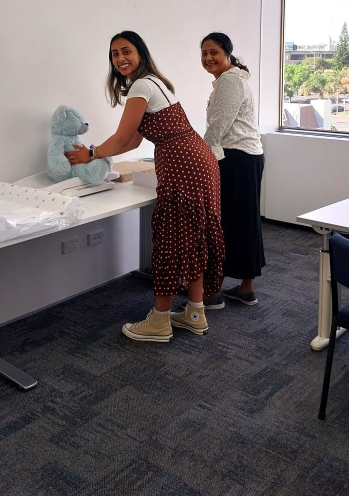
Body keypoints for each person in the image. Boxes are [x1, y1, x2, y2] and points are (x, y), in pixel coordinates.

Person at [66, 31, 224, 343]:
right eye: (114, 54)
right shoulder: (153, 82)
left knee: (171, 238)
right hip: (196, 158)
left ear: (140, 54)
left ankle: (160, 321)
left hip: (182, 162)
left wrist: (90, 154)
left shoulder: (141, 85)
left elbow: (124, 138)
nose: (120, 59)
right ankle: (195, 312)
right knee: (190, 237)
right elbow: (136, 138)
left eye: (126, 52)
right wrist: (98, 153)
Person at [200, 32, 265, 308]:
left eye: (214, 52)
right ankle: (245, 288)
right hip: (243, 156)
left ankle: (213, 291)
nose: (208, 58)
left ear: (228, 53)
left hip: (236, 158)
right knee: (242, 223)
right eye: (204, 53)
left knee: (228, 224)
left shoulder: (229, 82)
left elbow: (218, 127)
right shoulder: (229, 80)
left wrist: (198, 157)